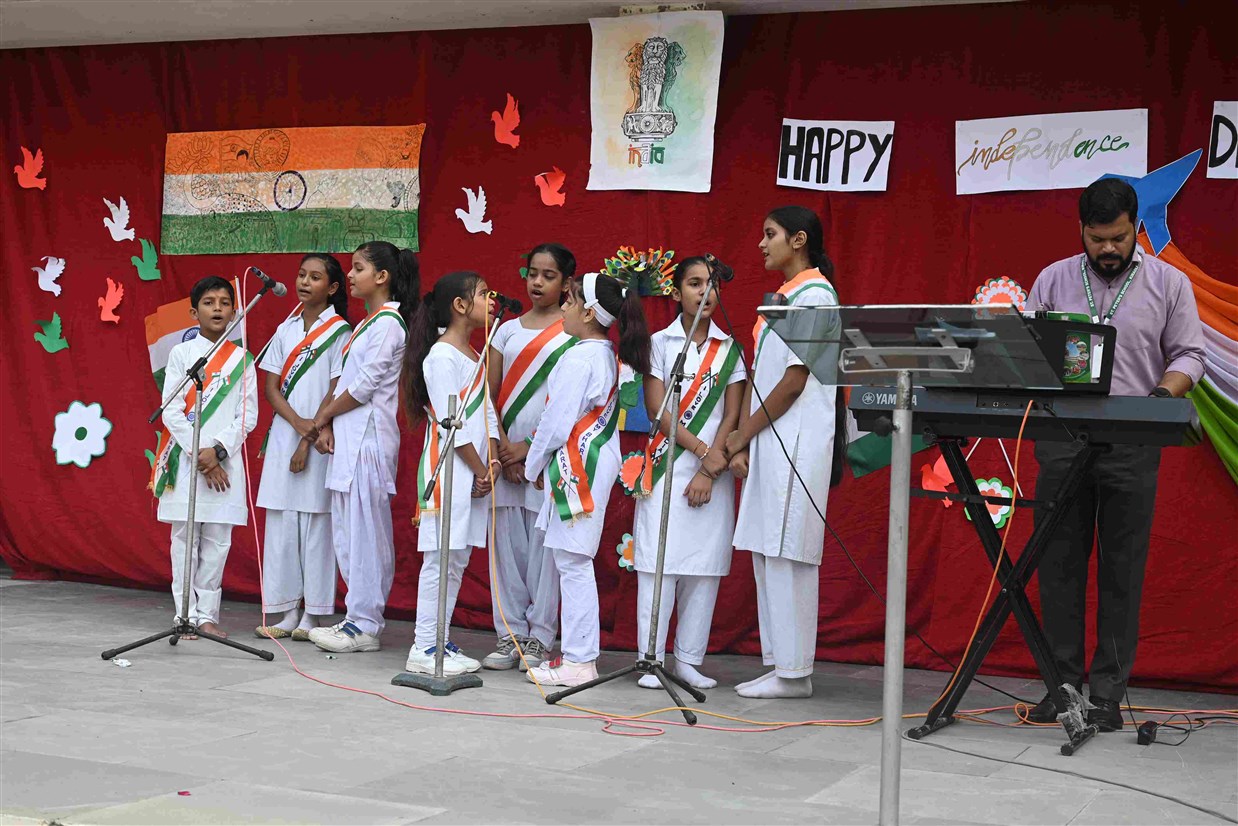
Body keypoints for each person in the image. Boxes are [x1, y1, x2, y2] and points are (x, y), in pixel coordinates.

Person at [1025, 178, 1205, 731]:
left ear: (1136, 229)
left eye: (1119, 238)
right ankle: (1062, 687)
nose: (1108, 249)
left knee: (1122, 570)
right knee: (1058, 567)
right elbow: (1026, 351)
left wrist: (1160, 400)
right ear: (1081, 230)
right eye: (1097, 238)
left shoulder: (1169, 284)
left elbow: (1190, 354)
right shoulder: (1052, 280)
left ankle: (1107, 695)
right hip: (1063, 437)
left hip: (1133, 439)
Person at [725, 206, 839, 700]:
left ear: (798, 240)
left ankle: (795, 672)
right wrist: (749, 439)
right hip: (773, 439)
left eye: (769, 234)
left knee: (788, 550)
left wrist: (740, 434)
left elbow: (794, 382)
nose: (761, 243)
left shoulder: (815, 297)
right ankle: (780, 665)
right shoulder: (786, 296)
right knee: (768, 548)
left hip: (796, 439)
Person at [523, 272, 651, 687]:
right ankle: (579, 656)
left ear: (590, 312)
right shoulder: (601, 354)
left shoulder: (581, 358)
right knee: (572, 561)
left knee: (573, 563)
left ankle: (580, 660)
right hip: (585, 464)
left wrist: (531, 465)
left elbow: (556, 422)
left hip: (579, 466)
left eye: (571, 301)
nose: (563, 307)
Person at [626, 257, 745, 690]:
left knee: (703, 568)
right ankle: (651, 657)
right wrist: (700, 454)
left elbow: (733, 413)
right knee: (657, 565)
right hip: (667, 469)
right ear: (676, 292)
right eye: (695, 283)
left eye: (712, 284)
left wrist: (709, 470)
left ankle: (689, 660)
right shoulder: (659, 343)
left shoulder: (730, 349)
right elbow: (657, 410)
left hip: (712, 473)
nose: (705, 292)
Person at [308, 241, 418, 653]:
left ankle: (365, 622)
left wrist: (323, 417)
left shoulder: (389, 324)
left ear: (382, 276)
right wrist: (328, 423)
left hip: (368, 443)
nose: (350, 276)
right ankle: (356, 618)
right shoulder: (365, 325)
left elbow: (365, 386)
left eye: (358, 268)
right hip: (348, 441)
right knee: (348, 533)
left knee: (367, 534)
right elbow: (342, 381)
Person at [483, 243, 577, 671]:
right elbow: (488, 394)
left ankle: (540, 637)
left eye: (548, 276)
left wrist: (530, 450)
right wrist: (504, 447)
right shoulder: (505, 331)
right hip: (505, 455)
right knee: (505, 547)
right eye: (532, 273)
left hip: (547, 456)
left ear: (566, 283)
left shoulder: (572, 332)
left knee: (544, 550)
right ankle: (510, 634)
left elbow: (569, 404)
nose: (537, 282)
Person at [402, 271, 500, 676]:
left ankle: (438, 639)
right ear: (460, 306)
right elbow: (450, 424)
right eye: (484, 294)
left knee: (455, 560)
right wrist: (480, 470)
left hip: (473, 471)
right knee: (440, 559)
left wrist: (493, 461)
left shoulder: (473, 355)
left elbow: (486, 412)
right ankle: (423, 646)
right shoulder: (441, 356)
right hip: (450, 471)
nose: (492, 301)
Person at [150, 276, 258, 639]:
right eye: (209, 303)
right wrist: (201, 455)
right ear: (194, 313)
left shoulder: (242, 359)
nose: (217, 309)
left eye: (225, 303)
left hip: (225, 464)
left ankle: (208, 615)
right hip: (187, 461)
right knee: (185, 541)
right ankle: (185, 613)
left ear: (233, 312)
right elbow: (171, 411)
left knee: (218, 542)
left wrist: (218, 452)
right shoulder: (181, 355)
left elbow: (247, 416)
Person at [254, 254, 351, 641]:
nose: (304, 282)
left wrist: (307, 440)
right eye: (301, 275)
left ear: (332, 287)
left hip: (320, 437)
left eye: (315, 277)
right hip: (285, 433)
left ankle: (313, 613)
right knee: (282, 525)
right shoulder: (286, 328)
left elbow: (336, 389)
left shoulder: (340, 332)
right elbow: (271, 388)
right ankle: (286, 610)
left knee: (315, 526)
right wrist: (296, 427)